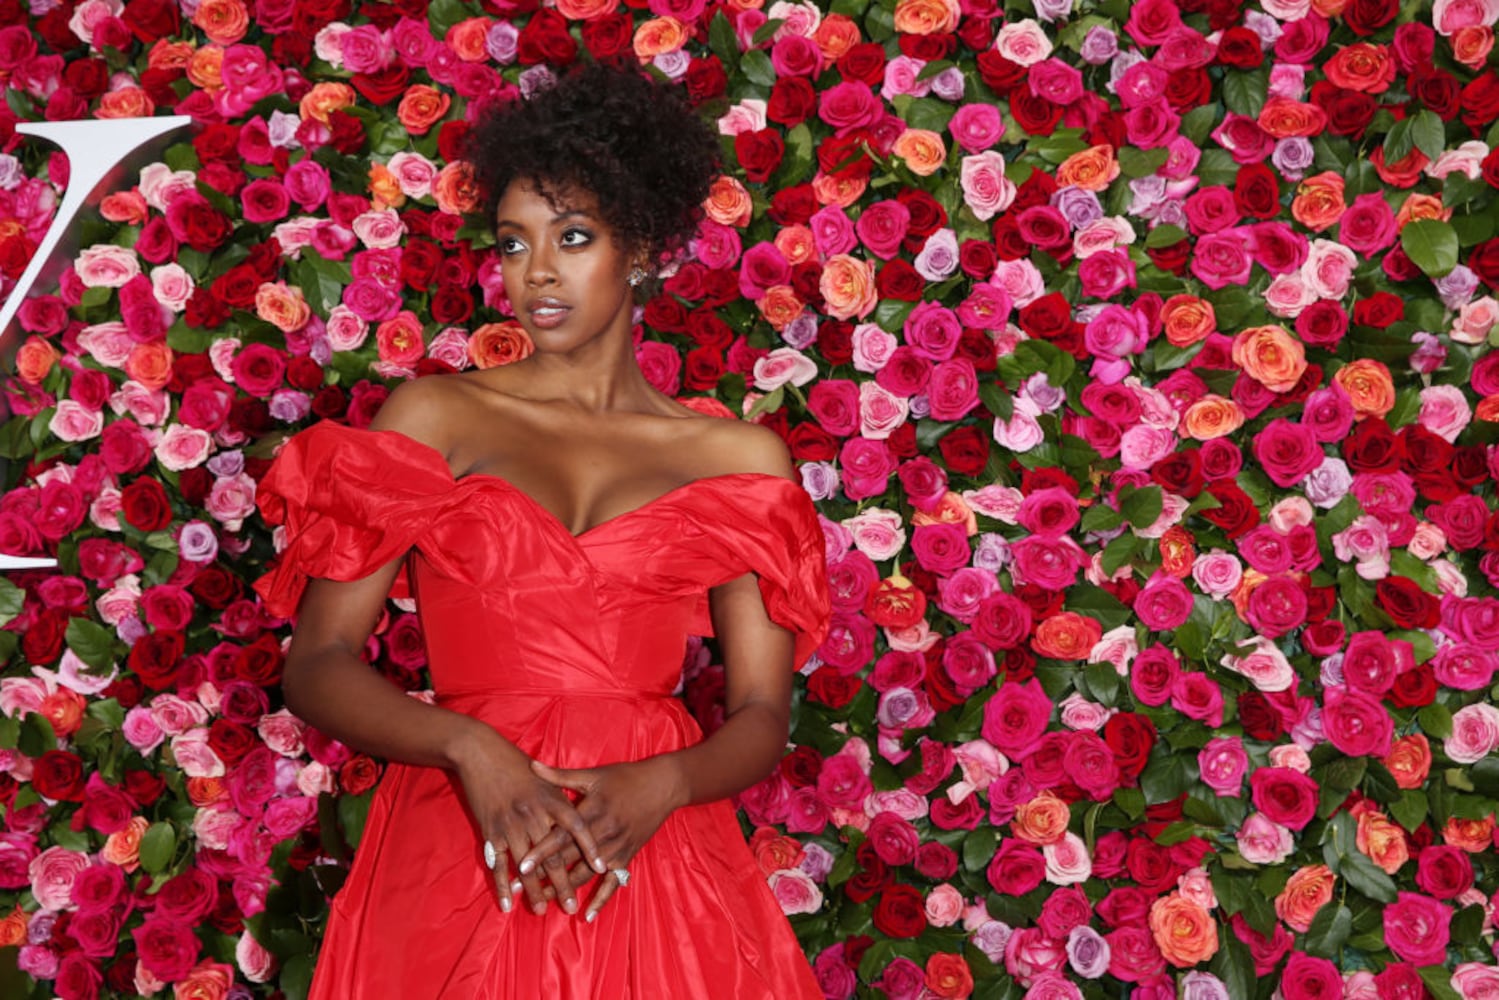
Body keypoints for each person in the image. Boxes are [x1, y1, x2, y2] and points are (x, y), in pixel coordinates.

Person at [250, 61, 832, 998]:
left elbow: (763, 716)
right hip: (463, 845)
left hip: (649, 854)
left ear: (638, 247)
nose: (538, 274)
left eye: (571, 237)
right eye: (513, 244)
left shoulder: (738, 457)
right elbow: (317, 660)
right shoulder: (435, 417)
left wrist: (668, 784)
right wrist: (469, 749)